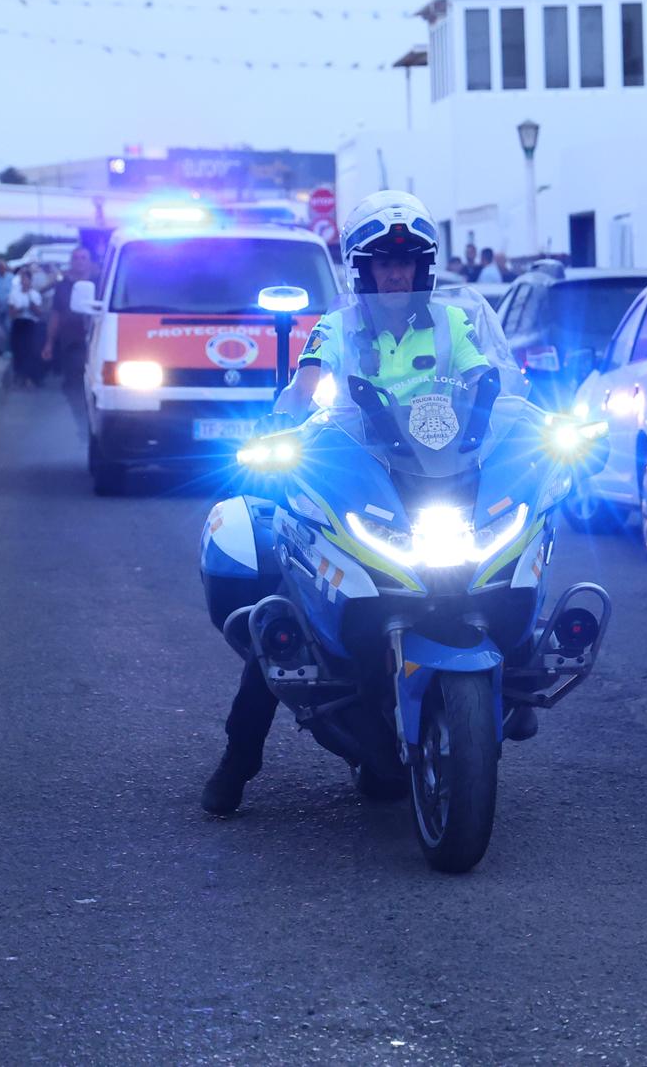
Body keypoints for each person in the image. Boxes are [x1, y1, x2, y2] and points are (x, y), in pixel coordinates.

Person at [203, 190, 491, 816]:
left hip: (437, 476)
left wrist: (523, 419)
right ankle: (239, 758)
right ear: (362, 270)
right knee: (284, 616)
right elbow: (304, 388)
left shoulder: (454, 324)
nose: (397, 272)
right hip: (354, 480)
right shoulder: (336, 329)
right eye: (385, 262)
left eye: (408, 261)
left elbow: (484, 379)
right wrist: (279, 428)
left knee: (500, 556)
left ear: (424, 267)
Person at [42, 246, 100, 437]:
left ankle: (98, 424)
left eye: (84, 257)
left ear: (90, 262)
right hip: (71, 342)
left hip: (97, 342)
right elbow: (56, 315)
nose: (80, 261)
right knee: (73, 387)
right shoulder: (63, 286)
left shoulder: (101, 284)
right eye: (76, 258)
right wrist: (49, 343)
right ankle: (82, 424)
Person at [8, 264, 49, 386]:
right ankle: (19, 375)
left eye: (26, 279)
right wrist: (19, 309)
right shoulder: (14, 294)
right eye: (22, 278)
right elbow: (11, 312)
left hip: (31, 324)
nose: (24, 281)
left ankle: (30, 377)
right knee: (18, 350)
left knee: (30, 351)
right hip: (19, 323)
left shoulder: (34, 294)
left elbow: (39, 313)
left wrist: (31, 305)